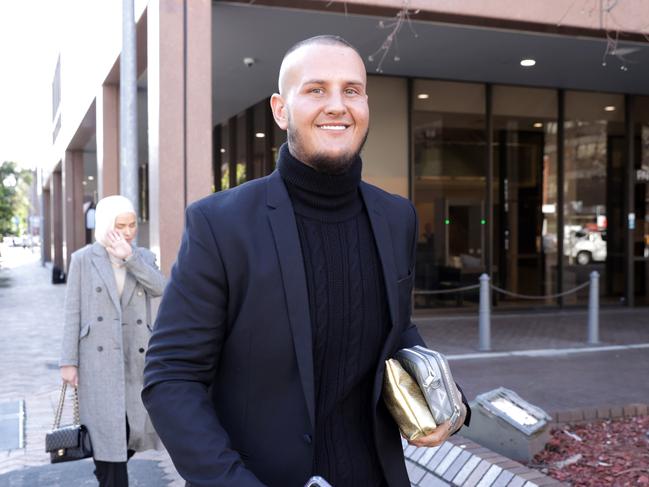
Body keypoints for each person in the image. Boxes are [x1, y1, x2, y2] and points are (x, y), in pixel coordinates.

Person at [142, 35, 470, 487]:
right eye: (316, 90)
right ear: (281, 109)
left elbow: (397, 332)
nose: (337, 105)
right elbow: (170, 378)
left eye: (351, 90)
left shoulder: (397, 217)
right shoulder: (219, 224)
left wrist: (448, 400)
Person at [60, 195, 166, 487]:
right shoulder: (83, 259)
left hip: (135, 357)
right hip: (98, 359)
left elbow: (161, 288)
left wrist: (129, 257)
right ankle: (108, 475)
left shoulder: (142, 256)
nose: (129, 230)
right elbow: (73, 312)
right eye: (122, 225)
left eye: (132, 224)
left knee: (132, 429)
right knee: (107, 435)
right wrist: (68, 362)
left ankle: (106, 470)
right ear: (107, 224)